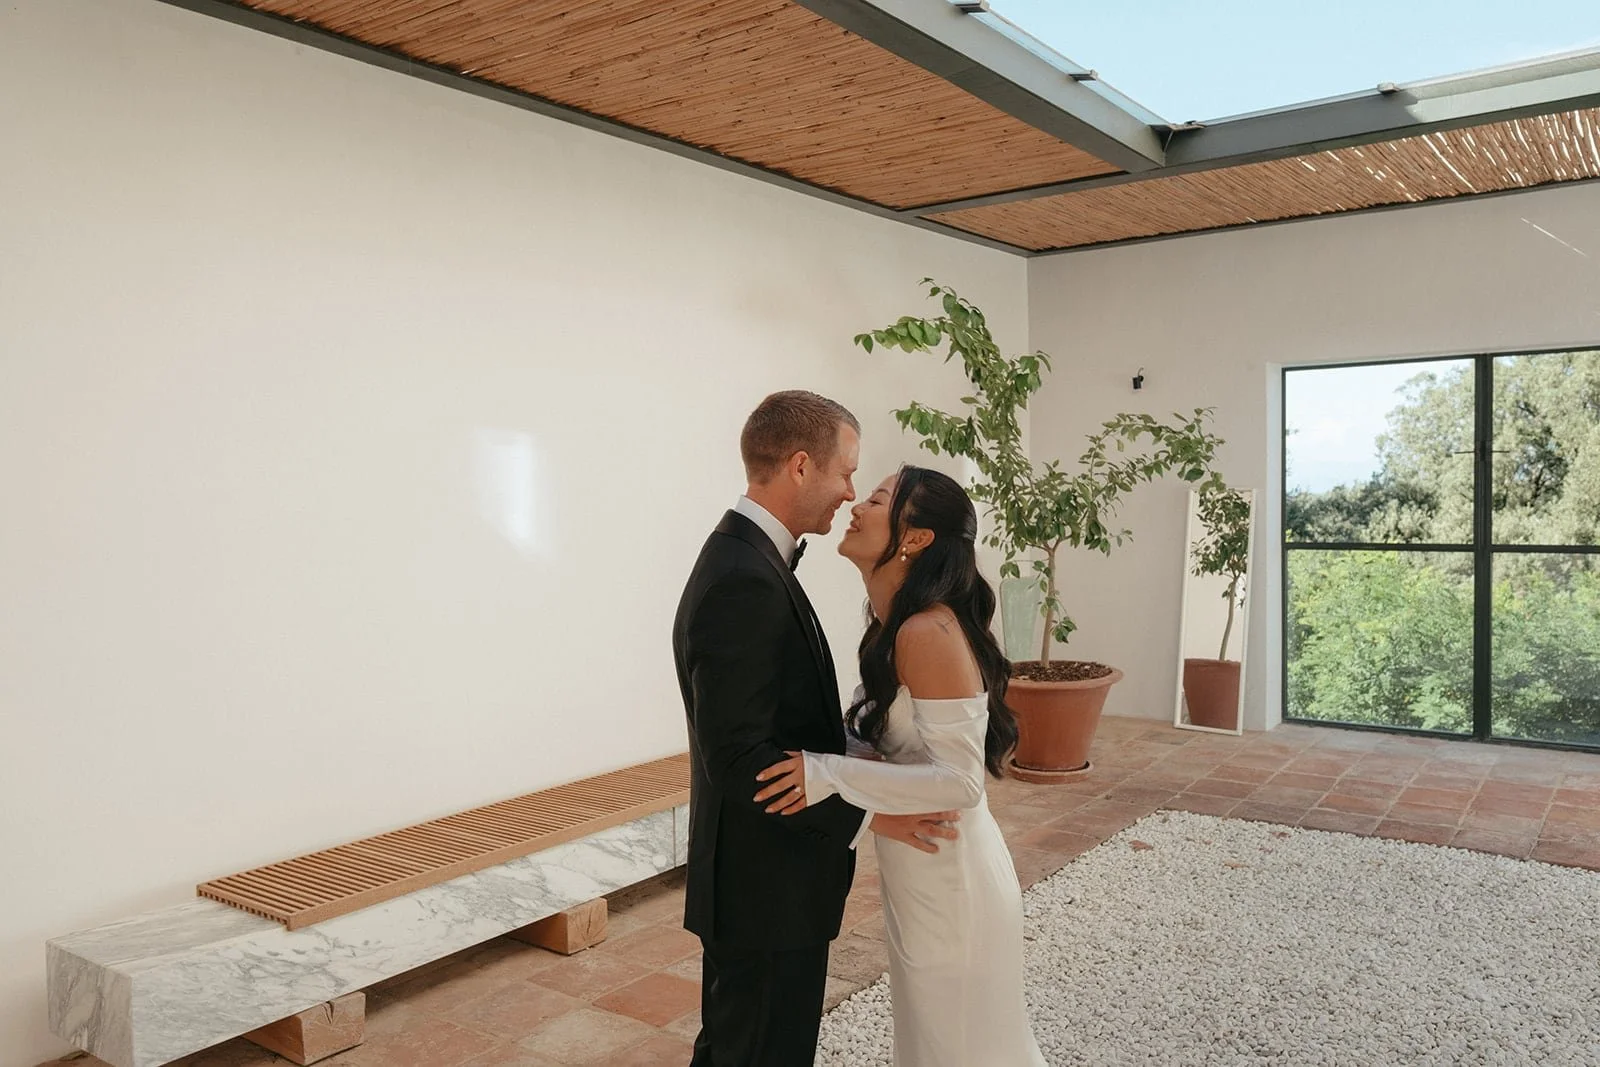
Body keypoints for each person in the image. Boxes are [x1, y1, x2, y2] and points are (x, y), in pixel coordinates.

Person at [673, 393, 962, 1067]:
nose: (851, 493)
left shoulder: (751, 558)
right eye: (846, 472)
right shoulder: (743, 577)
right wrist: (868, 817)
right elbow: (743, 757)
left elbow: (780, 720)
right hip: (764, 888)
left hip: (766, 884)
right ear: (801, 466)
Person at [755, 465, 1046, 1066]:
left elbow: (961, 783)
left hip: (954, 878)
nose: (857, 506)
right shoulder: (893, 625)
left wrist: (825, 772)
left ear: (915, 538)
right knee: (932, 1043)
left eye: (880, 499)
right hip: (921, 870)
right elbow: (897, 749)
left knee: (961, 1048)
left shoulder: (926, 630)